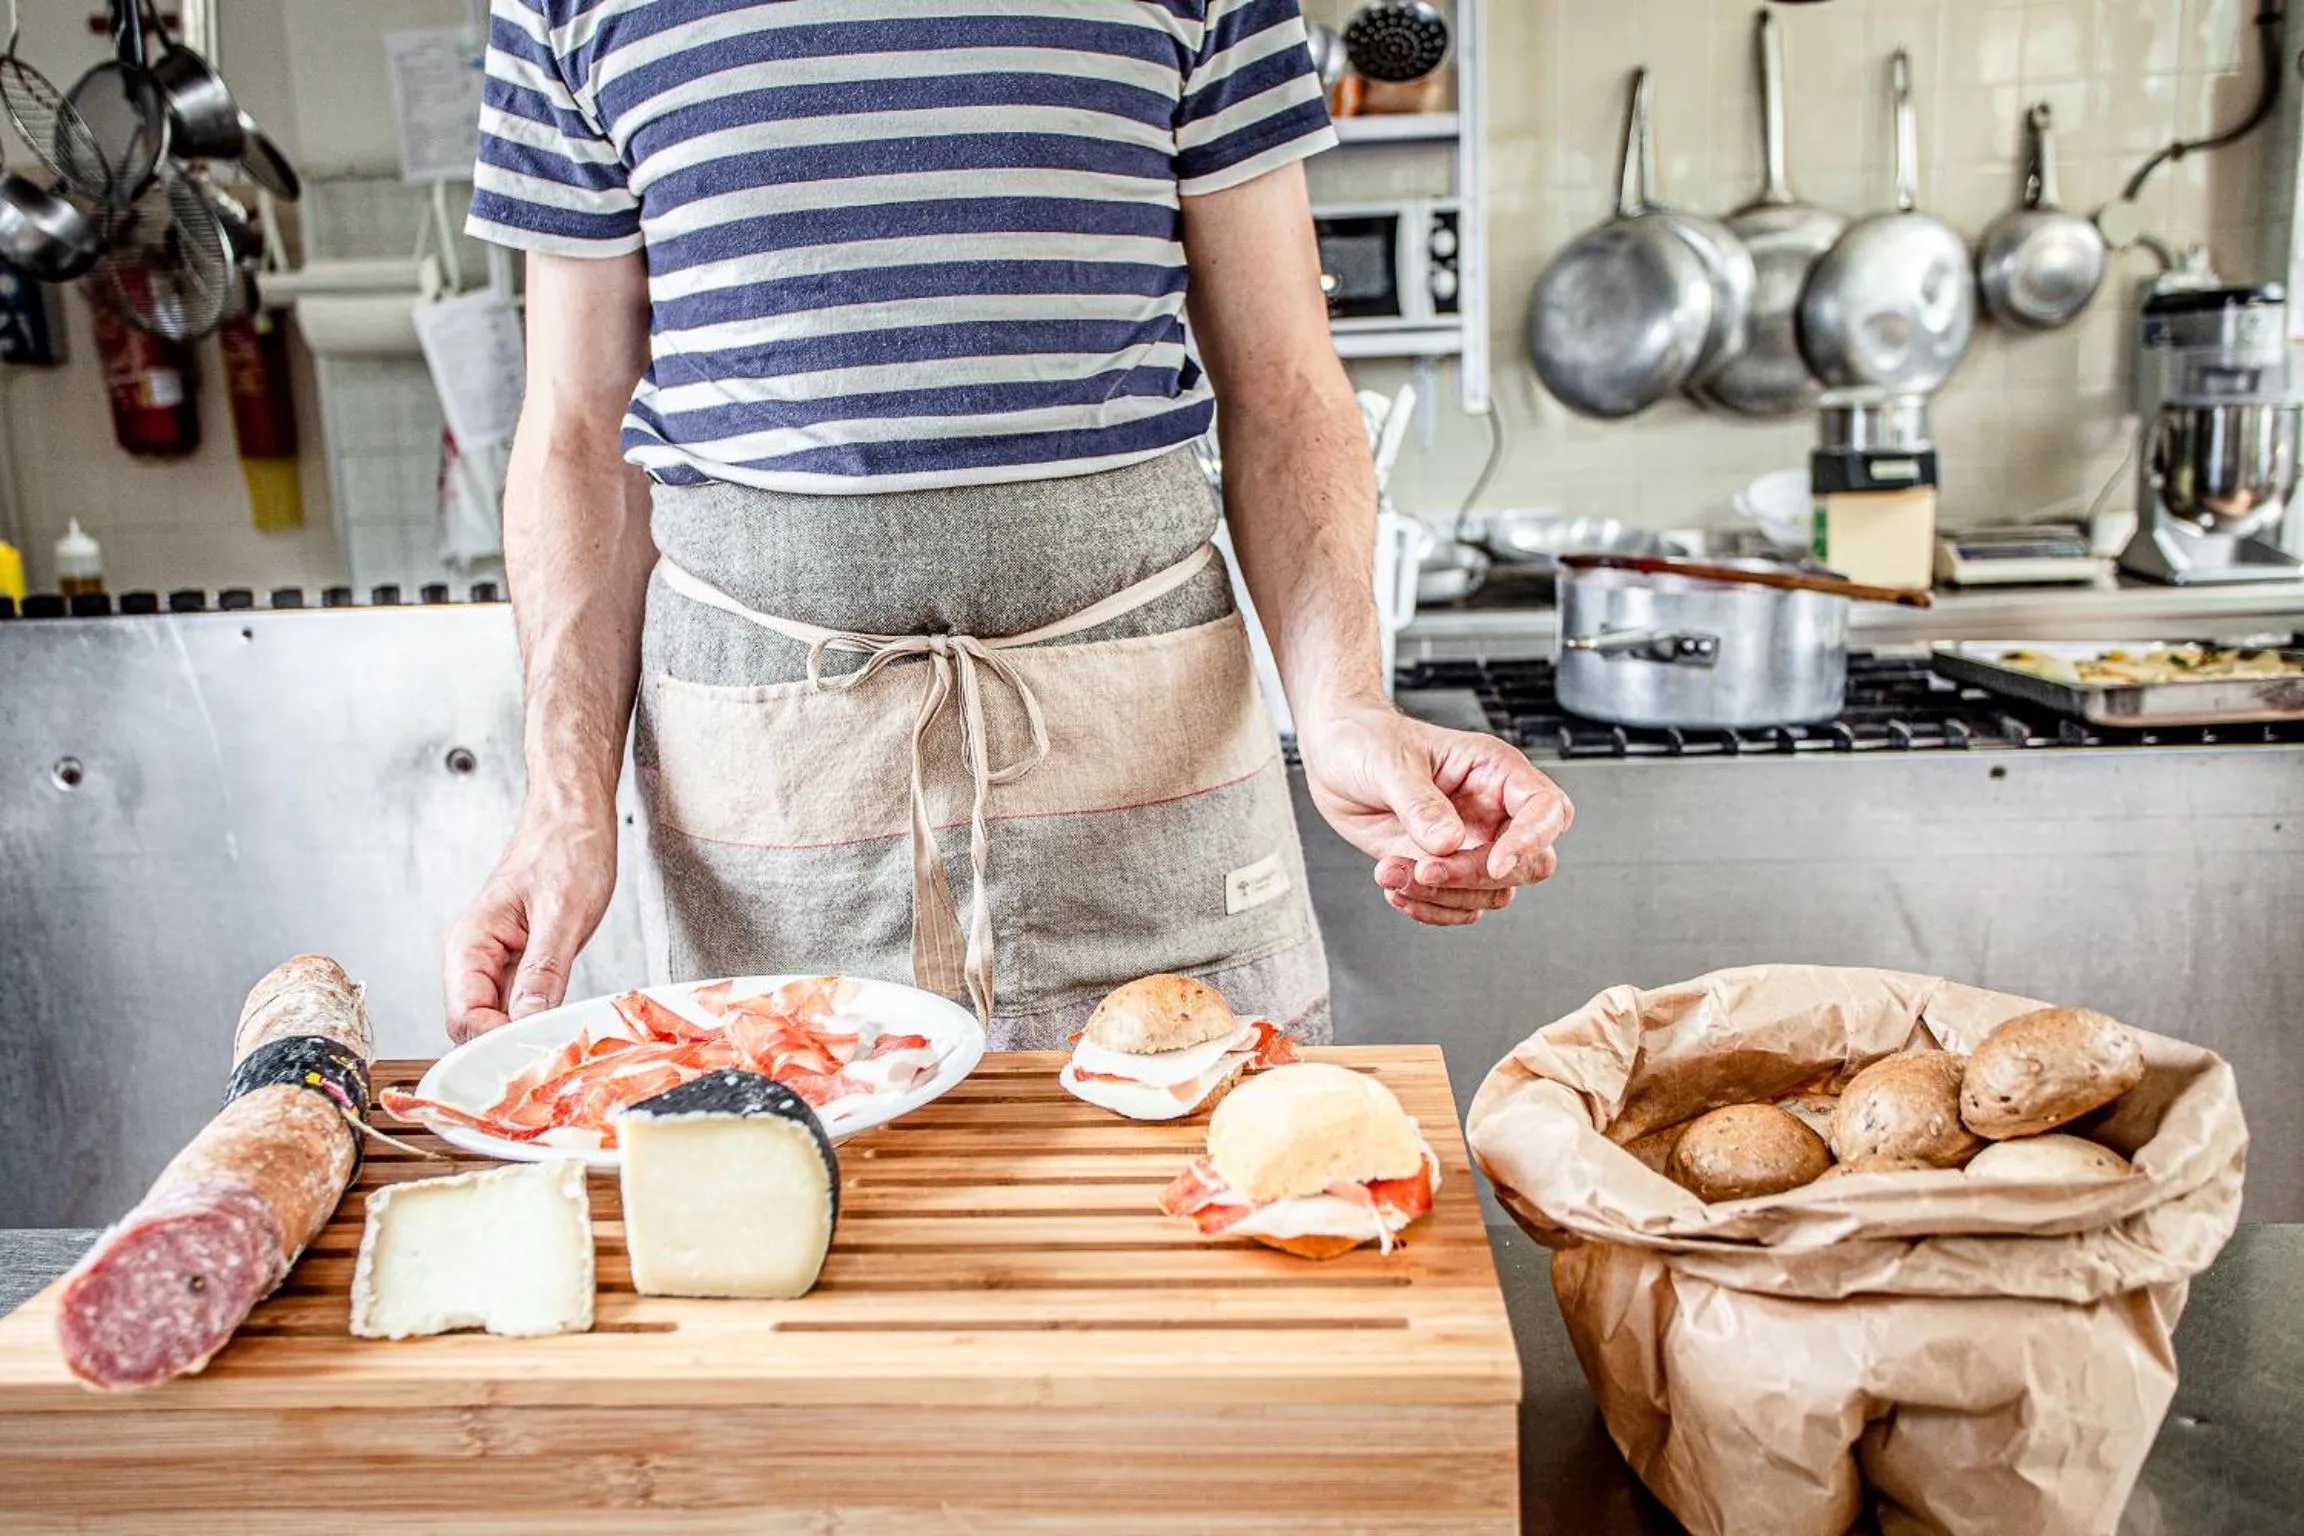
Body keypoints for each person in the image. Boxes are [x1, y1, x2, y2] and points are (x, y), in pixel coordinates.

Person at [442, 0, 1571, 1048]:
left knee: (1221, 1206)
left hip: (1149, 778)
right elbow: (576, 436)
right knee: (794, 1221)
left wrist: (1342, 711)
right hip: (774, 826)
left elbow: (1284, 390)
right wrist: (563, 802)